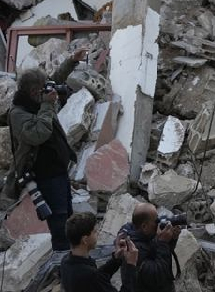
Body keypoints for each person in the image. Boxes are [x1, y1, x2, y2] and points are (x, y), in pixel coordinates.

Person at [4, 48, 87, 250]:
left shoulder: (36, 98)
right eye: (43, 90)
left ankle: (70, 257)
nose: (48, 91)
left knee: (67, 216)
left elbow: (53, 79)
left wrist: (72, 61)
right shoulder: (18, 113)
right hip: (45, 176)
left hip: (59, 172)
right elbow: (38, 134)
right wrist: (48, 105)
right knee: (59, 221)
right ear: (34, 92)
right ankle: (62, 258)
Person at [61, 212, 137, 292]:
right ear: (85, 240)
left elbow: (100, 277)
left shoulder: (65, 262)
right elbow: (96, 278)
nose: (97, 234)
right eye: (94, 232)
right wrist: (131, 265)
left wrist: (116, 259)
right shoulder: (90, 275)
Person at [120, 202, 181, 292]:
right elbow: (158, 276)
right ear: (144, 226)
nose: (158, 224)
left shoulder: (146, 236)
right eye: (156, 221)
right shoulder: (133, 249)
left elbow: (159, 254)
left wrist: (171, 239)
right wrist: (163, 243)